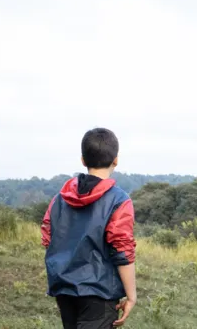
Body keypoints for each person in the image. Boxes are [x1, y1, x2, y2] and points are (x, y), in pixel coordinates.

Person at [41, 128, 137, 328]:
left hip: (64, 290)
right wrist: (131, 295)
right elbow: (122, 250)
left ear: (83, 160)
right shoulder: (119, 200)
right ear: (116, 160)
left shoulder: (59, 199)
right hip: (99, 293)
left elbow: (48, 238)